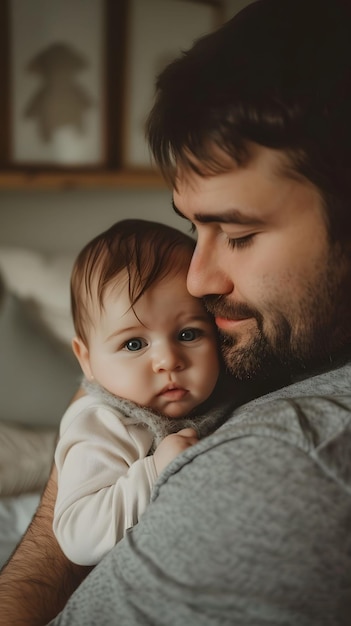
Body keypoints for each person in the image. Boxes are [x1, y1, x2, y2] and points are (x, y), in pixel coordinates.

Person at [1, 0, 351, 624]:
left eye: (238, 233)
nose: (198, 277)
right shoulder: (283, 346)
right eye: (193, 228)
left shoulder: (299, 460)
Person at [53, 218, 226, 566]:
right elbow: (77, 537)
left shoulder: (226, 387)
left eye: (189, 334)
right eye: (134, 343)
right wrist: (154, 470)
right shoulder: (103, 423)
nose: (168, 360)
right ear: (87, 360)